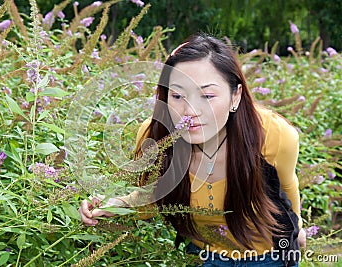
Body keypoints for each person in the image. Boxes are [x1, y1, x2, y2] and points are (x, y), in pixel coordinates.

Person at [79, 33, 306, 266]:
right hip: (200, 255)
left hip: (269, 255)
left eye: (207, 96)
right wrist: (118, 204)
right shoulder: (155, 137)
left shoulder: (273, 134)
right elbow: (155, 196)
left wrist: (296, 228)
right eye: (177, 95)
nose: (190, 111)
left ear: (235, 96)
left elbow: (287, 185)